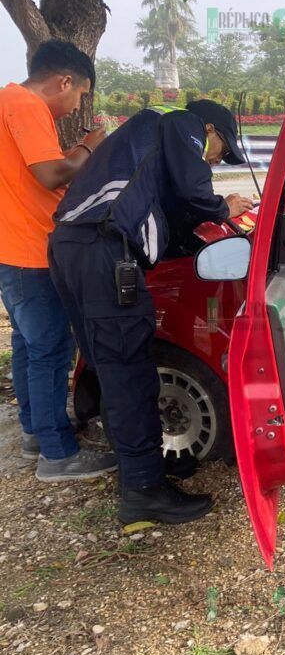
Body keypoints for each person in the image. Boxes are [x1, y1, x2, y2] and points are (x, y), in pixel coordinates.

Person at [49, 100, 254, 524]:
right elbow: (195, 192)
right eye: (221, 149)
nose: (217, 159)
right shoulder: (181, 123)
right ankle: (144, 491)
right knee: (129, 371)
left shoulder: (145, 140)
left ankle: (143, 468)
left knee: (115, 370)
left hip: (76, 249)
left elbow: (168, 208)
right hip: (103, 252)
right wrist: (225, 207)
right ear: (210, 127)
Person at [0, 39, 112, 480]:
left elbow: (35, 171)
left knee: (30, 345)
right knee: (50, 350)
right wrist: (90, 147)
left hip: (13, 249)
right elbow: (50, 176)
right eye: (80, 94)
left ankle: (36, 431)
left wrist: (74, 154)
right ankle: (57, 454)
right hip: (32, 251)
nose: (76, 104)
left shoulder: (9, 102)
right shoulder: (25, 104)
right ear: (64, 80)